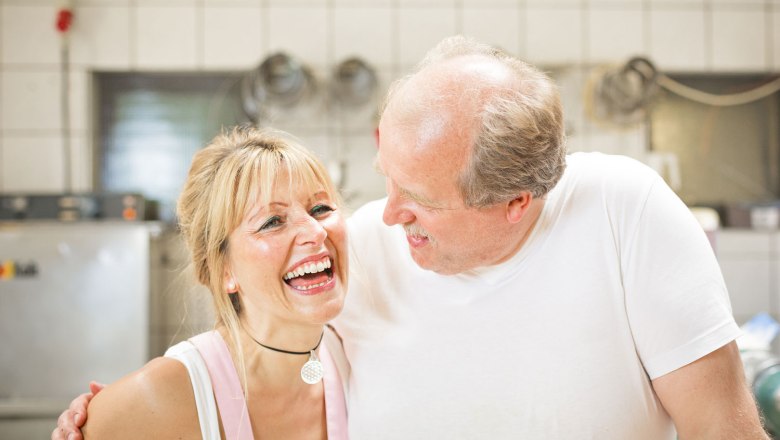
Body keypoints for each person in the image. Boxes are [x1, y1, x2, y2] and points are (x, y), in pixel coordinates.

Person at [55, 35, 767, 439]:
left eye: (418, 200)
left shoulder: (624, 213)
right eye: (383, 178)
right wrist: (102, 420)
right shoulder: (360, 250)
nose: (384, 216)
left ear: (516, 202)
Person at [55, 127, 350, 439]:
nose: (316, 232)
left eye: (321, 208)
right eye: (272, 222)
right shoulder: (158, 397)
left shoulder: (358, 351)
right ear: (223, 270)